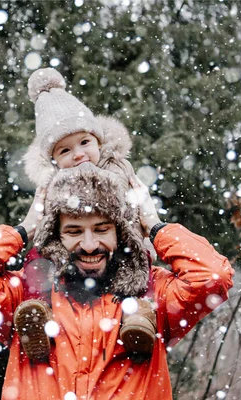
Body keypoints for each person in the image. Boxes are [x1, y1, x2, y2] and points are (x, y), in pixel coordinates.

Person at [0, 163, 234, 399]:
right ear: (56, 236)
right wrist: (26, 229)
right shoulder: (28, 298)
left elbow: (213, 276)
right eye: (75, 231)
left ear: (121, 233)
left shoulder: (152, 294)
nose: (90, 244)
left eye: (102, 228)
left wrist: (154, 226)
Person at [18, 67, 154, 361]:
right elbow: (45, 223)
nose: (78, 154)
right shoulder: (52, 184)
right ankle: (38, 314)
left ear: (98, 141)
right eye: (65, 151)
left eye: (84, 143)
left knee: (140, 261)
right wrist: (27, 229)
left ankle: (139, 315)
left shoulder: (116, 167)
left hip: (122, 241)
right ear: (53, 160)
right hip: (69, 257)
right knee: (37, 261)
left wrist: (150, 225)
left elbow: (134, 202)